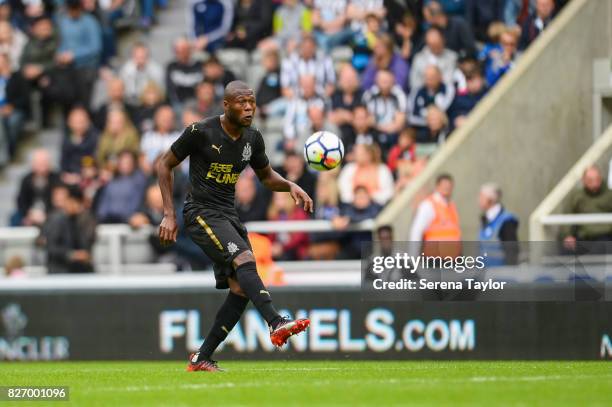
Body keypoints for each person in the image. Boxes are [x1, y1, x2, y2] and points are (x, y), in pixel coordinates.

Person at [157, 80, 313, 371]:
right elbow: (164, 164)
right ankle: (276, 321)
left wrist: (290, 184)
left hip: (228, 215)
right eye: (242, 102)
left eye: (251, 102)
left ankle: (201, 357)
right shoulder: (200, 132)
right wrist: (168, 213)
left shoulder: (252, 139)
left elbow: (266, 177)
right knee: (245, 259)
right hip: (201, 212)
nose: (249, 107)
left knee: (241, 288)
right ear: (226, 105)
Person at [43, 186, 96, 273]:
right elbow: (51, 247)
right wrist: (72, 255)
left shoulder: (75, 219)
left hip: (74, 270)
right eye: (75, 202)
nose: (78, 207)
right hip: (59, 271)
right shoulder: (57, 219)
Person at [561, 166, 612, 253]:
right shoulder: (577, 196)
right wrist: (568, 235)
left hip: (605, 236)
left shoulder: (609, 195)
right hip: (583, 237)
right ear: (584, 180)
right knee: (565, 252)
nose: (595, 184)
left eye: (597, 179)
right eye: (590, 180)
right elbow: (567, 216)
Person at [409, 173, 461, 257]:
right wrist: (413, 257)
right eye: (444, 186)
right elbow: (417, 231)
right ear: (437, 186)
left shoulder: (451, 206)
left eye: (449, 186)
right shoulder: (428, 205)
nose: (447, 188)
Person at [96, 150, 147, 223]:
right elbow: (103, 204)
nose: (125, 165)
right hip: (107, 220)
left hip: (127, 221)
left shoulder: (138, 180)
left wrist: (128, 218)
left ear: (134, 164)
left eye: (128, 162)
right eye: (122, 161)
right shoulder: (111, 181)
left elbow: (136, 203)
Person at [14, 148, 61, 226]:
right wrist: (28, 214)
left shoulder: (56, 178)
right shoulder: (26, 179)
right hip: (30, 213)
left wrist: (46, 215)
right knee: (14, 218)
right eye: (39, 163)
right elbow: (21, 200)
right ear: (33, 164)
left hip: (50, 212)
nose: (42, 166)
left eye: (44, 162)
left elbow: (58, 201)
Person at [478, 182, 519, 266]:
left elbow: (512, 252)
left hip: (501, 275)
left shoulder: (507, 221)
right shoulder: (485, 220)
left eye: (482, 197)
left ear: (490, 200)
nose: (479, 200)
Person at [410, 26, 458, 91]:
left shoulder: (452, 57)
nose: (436, 47)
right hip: (423, 95)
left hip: (445, 94)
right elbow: (414, 83)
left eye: (438, 44)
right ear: (427, 43)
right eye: (432, 45)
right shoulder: (419, 58)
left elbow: (449, 80)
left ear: (443, 40)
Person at [60, 106, 98, 181]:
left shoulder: (95, 138)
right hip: (71, 177)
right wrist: (66, 175)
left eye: (81, 122)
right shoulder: (66, 139)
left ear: (88, 122)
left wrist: (85, 174)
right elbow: (63, 163)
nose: (78, 126)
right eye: (76, 122)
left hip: (89, 177)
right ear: (69, 122)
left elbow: (95, 160)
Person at [165, 36, 203, 110]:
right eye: (178, 50)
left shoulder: (200, 65)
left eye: (184, 49)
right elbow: (170, 91)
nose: (181, 53)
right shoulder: (171, 67)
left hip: (198, 104)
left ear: (190, 50)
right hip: (178, 105)